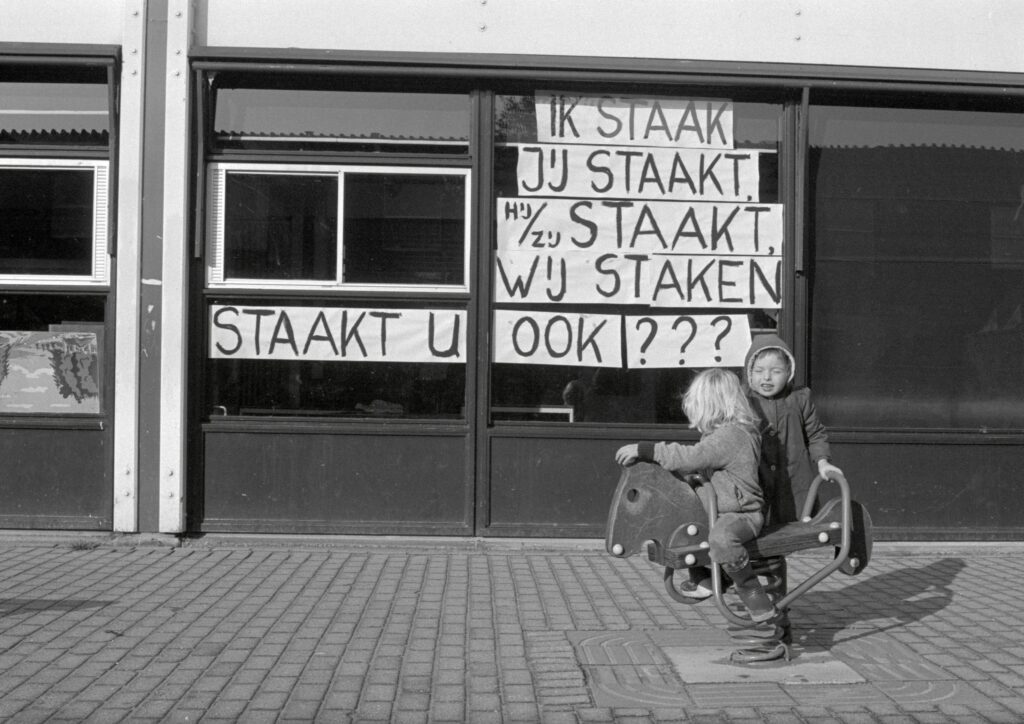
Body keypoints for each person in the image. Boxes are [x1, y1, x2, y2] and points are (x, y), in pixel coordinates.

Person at [614, 368, 777, 623]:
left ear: (713, 405)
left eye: (697, 405)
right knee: (684, 521)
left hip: (741, 515)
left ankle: (751, 589)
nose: (693, 411)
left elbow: (690, 458)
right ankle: (705, 578)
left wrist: (646, 450)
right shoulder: (719, 434)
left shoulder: (732, 435)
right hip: (718, 511)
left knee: (722, 539)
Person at [744, 334, 843, 526]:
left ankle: (780, 556)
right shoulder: (744, 402)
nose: (766, 377)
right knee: (757, 525)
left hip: (792, 478)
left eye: (776, 371)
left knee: (792, 524)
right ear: (749, 373)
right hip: (756, 478)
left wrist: (823, 462)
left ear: (789, 372)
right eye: (759, 371)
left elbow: (815, 434)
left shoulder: (799, 399)